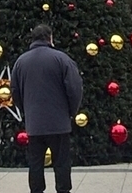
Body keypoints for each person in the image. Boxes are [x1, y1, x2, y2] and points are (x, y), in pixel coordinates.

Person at [11, 24, 83, 193]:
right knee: (62, 162)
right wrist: (71, 112)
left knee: (35, 162)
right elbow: (75, 88)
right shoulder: (62, 59)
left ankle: (36, 190)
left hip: (34, 123)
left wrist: (26, 111)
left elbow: (15, 91)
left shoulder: (21, 62)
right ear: (50, 38)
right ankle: (63, 190)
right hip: (59, 122)